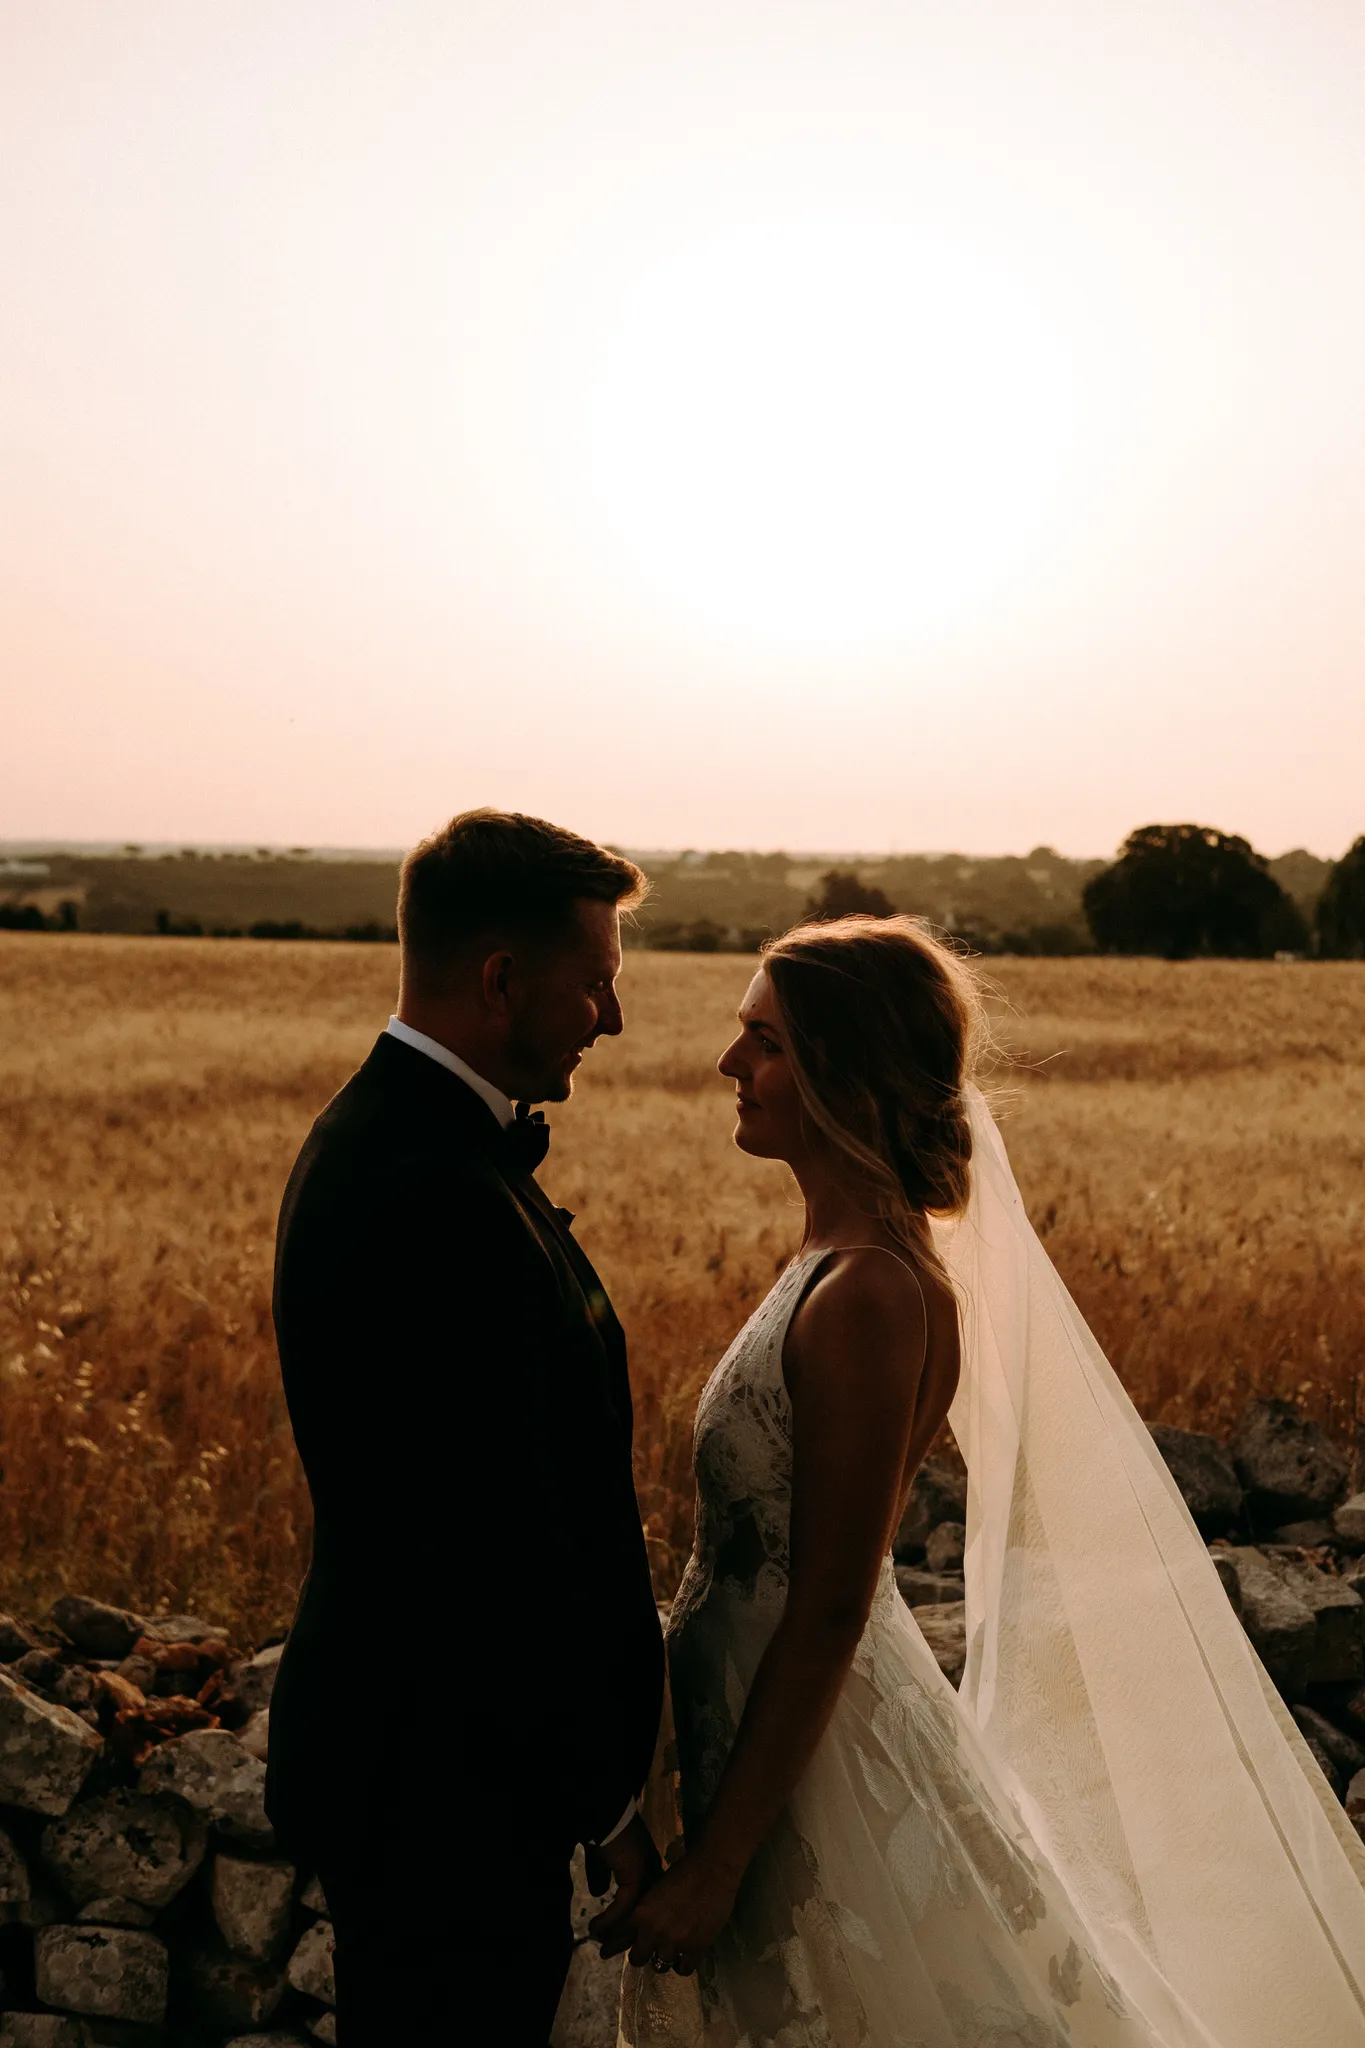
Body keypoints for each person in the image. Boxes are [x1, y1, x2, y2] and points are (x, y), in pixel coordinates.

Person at [600, 914, 1365, 2048]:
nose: (730, 1065)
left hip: (817, 1771)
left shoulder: (871, 1291)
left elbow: (830, 1602)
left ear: (843, 1069)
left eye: (762, 1040)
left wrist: (717, 1864)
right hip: (754, 1741)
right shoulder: (832, 1266)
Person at [267, 809, 665, 2044]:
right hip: (444, 1783)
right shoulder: (422, 1189)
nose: (612, 1018)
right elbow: (493, 1541)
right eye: (595, 983)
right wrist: (605, 1799)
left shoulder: (424, 1148)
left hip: (446, 1768)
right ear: (501, 979)